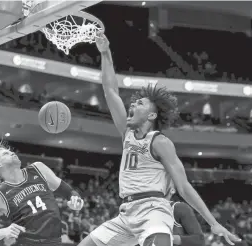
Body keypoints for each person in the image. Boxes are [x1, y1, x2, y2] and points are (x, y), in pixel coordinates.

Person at [77, 34, 241, 246]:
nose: (132, 105)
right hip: (126, 214)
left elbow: (183, 187)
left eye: (140, 104)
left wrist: (213, 223)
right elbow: (110, 91)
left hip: (153, 211)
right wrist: (105, 53)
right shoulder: (127, 133)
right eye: (134, 103)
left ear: (152, 116)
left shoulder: (160, 142)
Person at [0, 141, 84, 246]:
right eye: (6, 153)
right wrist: (4, 231)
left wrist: (77, 202)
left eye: (11, 151)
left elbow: (69, 192)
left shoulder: (38, 169)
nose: (12, 153)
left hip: (55, 242)